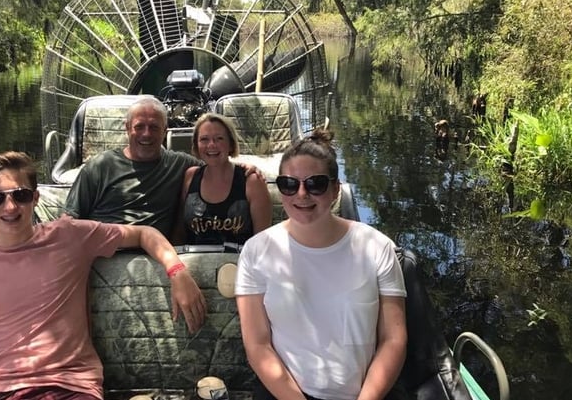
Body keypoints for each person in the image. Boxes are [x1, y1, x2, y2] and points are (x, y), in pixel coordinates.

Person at [0, 151, 206, 400]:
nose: (10, 207)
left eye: (20, 195)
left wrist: (177, 272)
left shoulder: (69, 236)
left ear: (35, 198)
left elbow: (144, 233)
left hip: (72, 388)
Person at [234, 130, 407, 400]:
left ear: (336, 189)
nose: (302, 194)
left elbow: (393, 340)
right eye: (289, 184)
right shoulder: (256, 252)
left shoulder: (377, 248)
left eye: (315, 184)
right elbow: (258, 345)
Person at [64, 96, 200, 236]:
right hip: (106, 251)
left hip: (156, 253)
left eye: (154, 127)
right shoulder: (100, 166)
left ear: (164, 131)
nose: (146, 134)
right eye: (139, 127)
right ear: (127, 128)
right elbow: (69, 219)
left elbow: (218, 167)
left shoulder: (178, 164)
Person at [177, 113, 272, 246]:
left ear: (231, 145)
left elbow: (263, 242)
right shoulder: (190, 176)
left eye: (219, 138)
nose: (211, 145)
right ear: (196, 145)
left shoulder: (252, 181)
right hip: (194, 263)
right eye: (204, 139)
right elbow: (180, 231)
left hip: (239, 263)